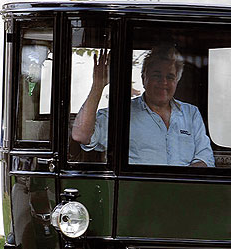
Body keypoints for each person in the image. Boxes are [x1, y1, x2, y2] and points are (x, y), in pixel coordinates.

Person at [71, 46, 215, 167]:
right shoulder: (123, 112)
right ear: (143, 78)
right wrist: (98, 85)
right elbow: (81, 135)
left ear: (176, 81)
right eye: (156, 76)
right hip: (135, 194)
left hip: (183, 194)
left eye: (170, 77)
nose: (163, 82)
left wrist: (180, 185)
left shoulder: (191, 113)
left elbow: (205, 159)